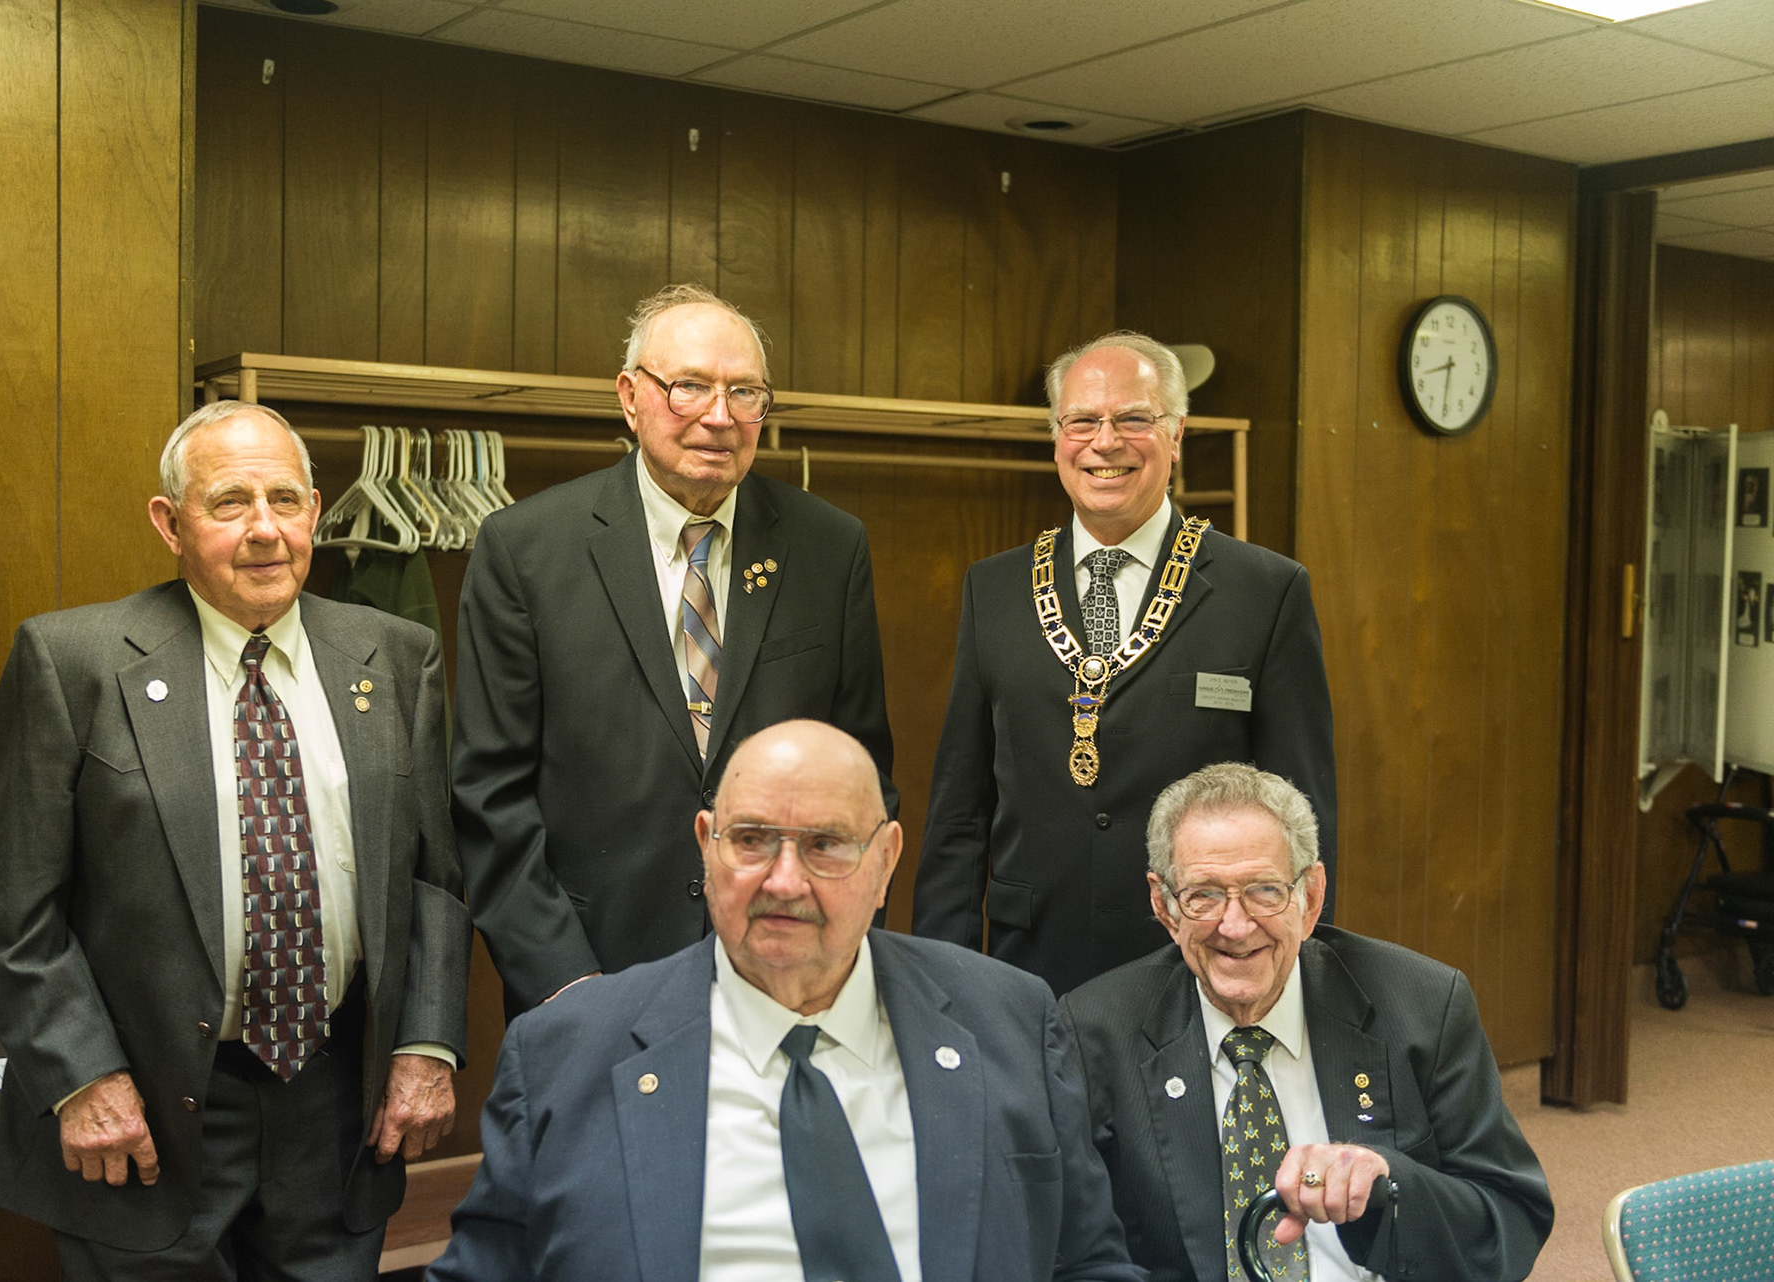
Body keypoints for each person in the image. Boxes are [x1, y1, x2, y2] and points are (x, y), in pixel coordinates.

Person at [0, 401, 469, 1278]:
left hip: (333, 1107)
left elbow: (433, 881)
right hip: (143, 1116)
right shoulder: (73, 663)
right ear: (170, 523)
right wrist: (84, 1077)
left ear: (316, 509)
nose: (265, 530)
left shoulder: (396, 658)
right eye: (230, 502)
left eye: (284, 498)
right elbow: (17, 911)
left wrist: (425, 1046)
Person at [429, 720, 1138, 1281]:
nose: (784, 881)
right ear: (706, 847)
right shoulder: (567, 1052)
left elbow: (1087, 1265)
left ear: (887, 859)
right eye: (752, 840)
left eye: (826, 845)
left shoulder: (1007, 1021)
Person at [452, 283, 896, 1013]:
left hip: (787, 972)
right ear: (631, 397)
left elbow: (864, 776)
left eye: (744, 392)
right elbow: (490, 796)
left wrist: (837, 955)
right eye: (689, 387)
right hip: (590, 977)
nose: (718, 418)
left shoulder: (829, 546)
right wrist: (566, 984)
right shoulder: (526, 550)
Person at [913, 330, 1336, 996]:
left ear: (1176, 435)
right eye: (1082, 421)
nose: (1104, 442)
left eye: (1134, 419)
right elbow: (960, 812)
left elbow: (1303, 817)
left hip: (1198, 966)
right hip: (1029, 966)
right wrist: (938, 979)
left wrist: (1298, 983)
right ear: (1057, 438)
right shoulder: (991, 589)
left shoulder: (1266, 593)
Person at [1059, 763, 1552, 1282]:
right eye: (1203, 894)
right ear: (1165, 907)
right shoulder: (1097, 1029)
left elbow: (1511, 1225)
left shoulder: (1422, 1005)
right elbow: (1068, 1245)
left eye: (1264, 891)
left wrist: (1388, 1184)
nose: (1235, 925)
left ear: (1310, 898)